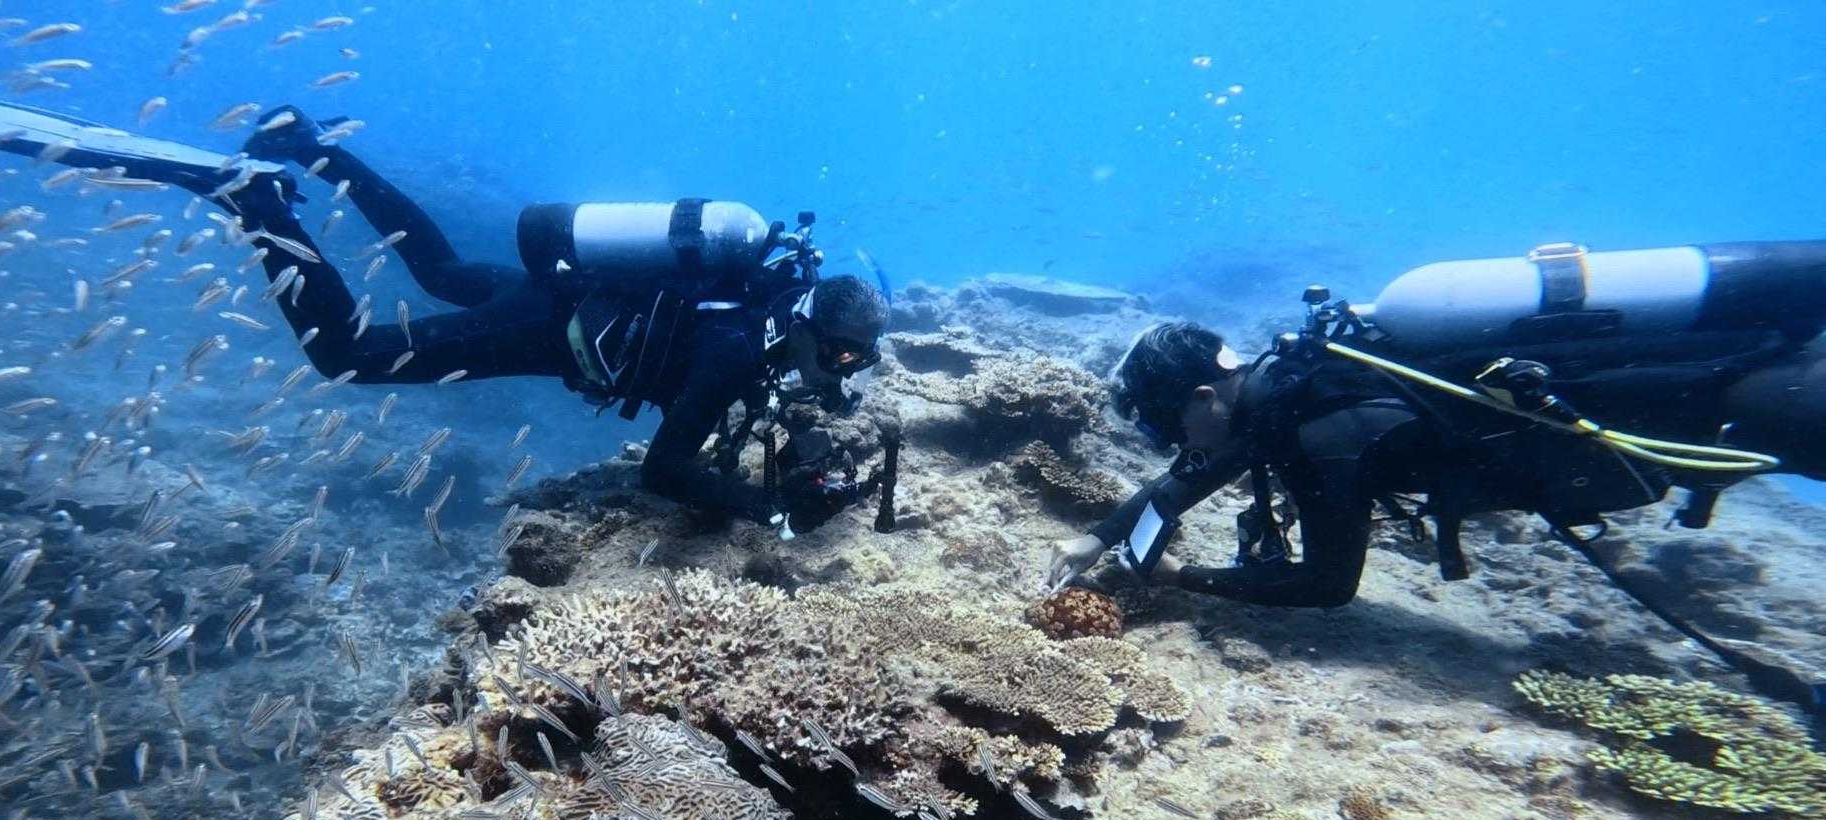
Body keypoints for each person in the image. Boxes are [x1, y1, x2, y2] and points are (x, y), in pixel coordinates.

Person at [221, 107, 888, 527]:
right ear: (807, 325)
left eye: (859, 358)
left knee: (442, 273)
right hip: (547, 330)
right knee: (349, 356)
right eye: (841, 354)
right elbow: (663, 470)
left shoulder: (773, 300)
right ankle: (259, 201)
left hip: (564, 293)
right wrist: (770, 508)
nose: (844, 371)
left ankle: (310, 144)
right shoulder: (736, 347)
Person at [1044, 317, 1826, 608]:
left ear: (1204, 396)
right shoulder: (1286, 386)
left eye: (1169, 426)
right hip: (1700, 397)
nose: (1176, 447)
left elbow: (1327, 586)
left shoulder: (1316, 432)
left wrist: (1182, 577)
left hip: (1714, 407)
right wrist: (1098, 537)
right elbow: (1190, 479)